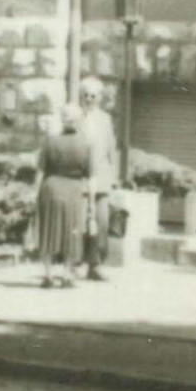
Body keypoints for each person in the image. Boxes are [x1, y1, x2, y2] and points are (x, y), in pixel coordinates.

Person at [35, 105, 90, 288]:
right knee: (71, 232)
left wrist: (35, 195)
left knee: (49, 231)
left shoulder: (50, 142)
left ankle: (48, 276)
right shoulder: (85, 143)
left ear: (62, 119)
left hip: (50, 189)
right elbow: (90, 175)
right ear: (78, 120)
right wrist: (91, 204)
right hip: (74, 191)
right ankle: (67, 276)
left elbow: (40, 172)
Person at [78, 76, 118, 282]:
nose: (89, 99)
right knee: (82, 222)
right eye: (85, 95)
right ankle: (81, 262)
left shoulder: (105, 119)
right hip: (81, 179)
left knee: (101, 222)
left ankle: (97, 263)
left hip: (101, 179)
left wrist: (115, 177)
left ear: (100, 98)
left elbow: (111, 149)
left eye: (93, 95)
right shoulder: (75, 118)